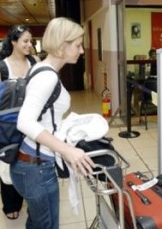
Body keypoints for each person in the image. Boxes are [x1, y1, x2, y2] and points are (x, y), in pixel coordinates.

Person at [10, 17, 95, 229]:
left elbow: (44, 116)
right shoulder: (46, 76)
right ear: (61, 46)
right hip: (35, 168)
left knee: (38, 222)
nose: (81, 50)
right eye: (77, 45)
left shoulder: (41, 68)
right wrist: (67, 150)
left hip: (32, 163)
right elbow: (25, 122)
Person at [0, 24, 40, 220]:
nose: (29, 45)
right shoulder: (2, 66)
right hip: (8, 124)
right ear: (14, 42)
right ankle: (11, 203)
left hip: (33, 121)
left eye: (31, 41)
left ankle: (33, 201)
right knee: (9, 162)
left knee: (32, 162)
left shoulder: (35, 61)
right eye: (25, 41)